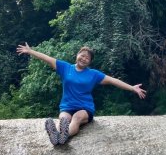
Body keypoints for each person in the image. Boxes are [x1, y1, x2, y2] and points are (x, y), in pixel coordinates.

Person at [16, 42, 146, 145]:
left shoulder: (93, 74)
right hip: (67, 107)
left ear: (90, 62)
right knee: (63, 119)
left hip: (85, 108)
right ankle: (57, 135)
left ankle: (63, 136)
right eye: (82, 55)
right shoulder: (65, 67)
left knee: (76, 118)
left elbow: (113, 81)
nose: (84, 59)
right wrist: (30, 51)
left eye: (87, 58)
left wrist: (132, 88)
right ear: (77, 55)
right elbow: (47, 58)